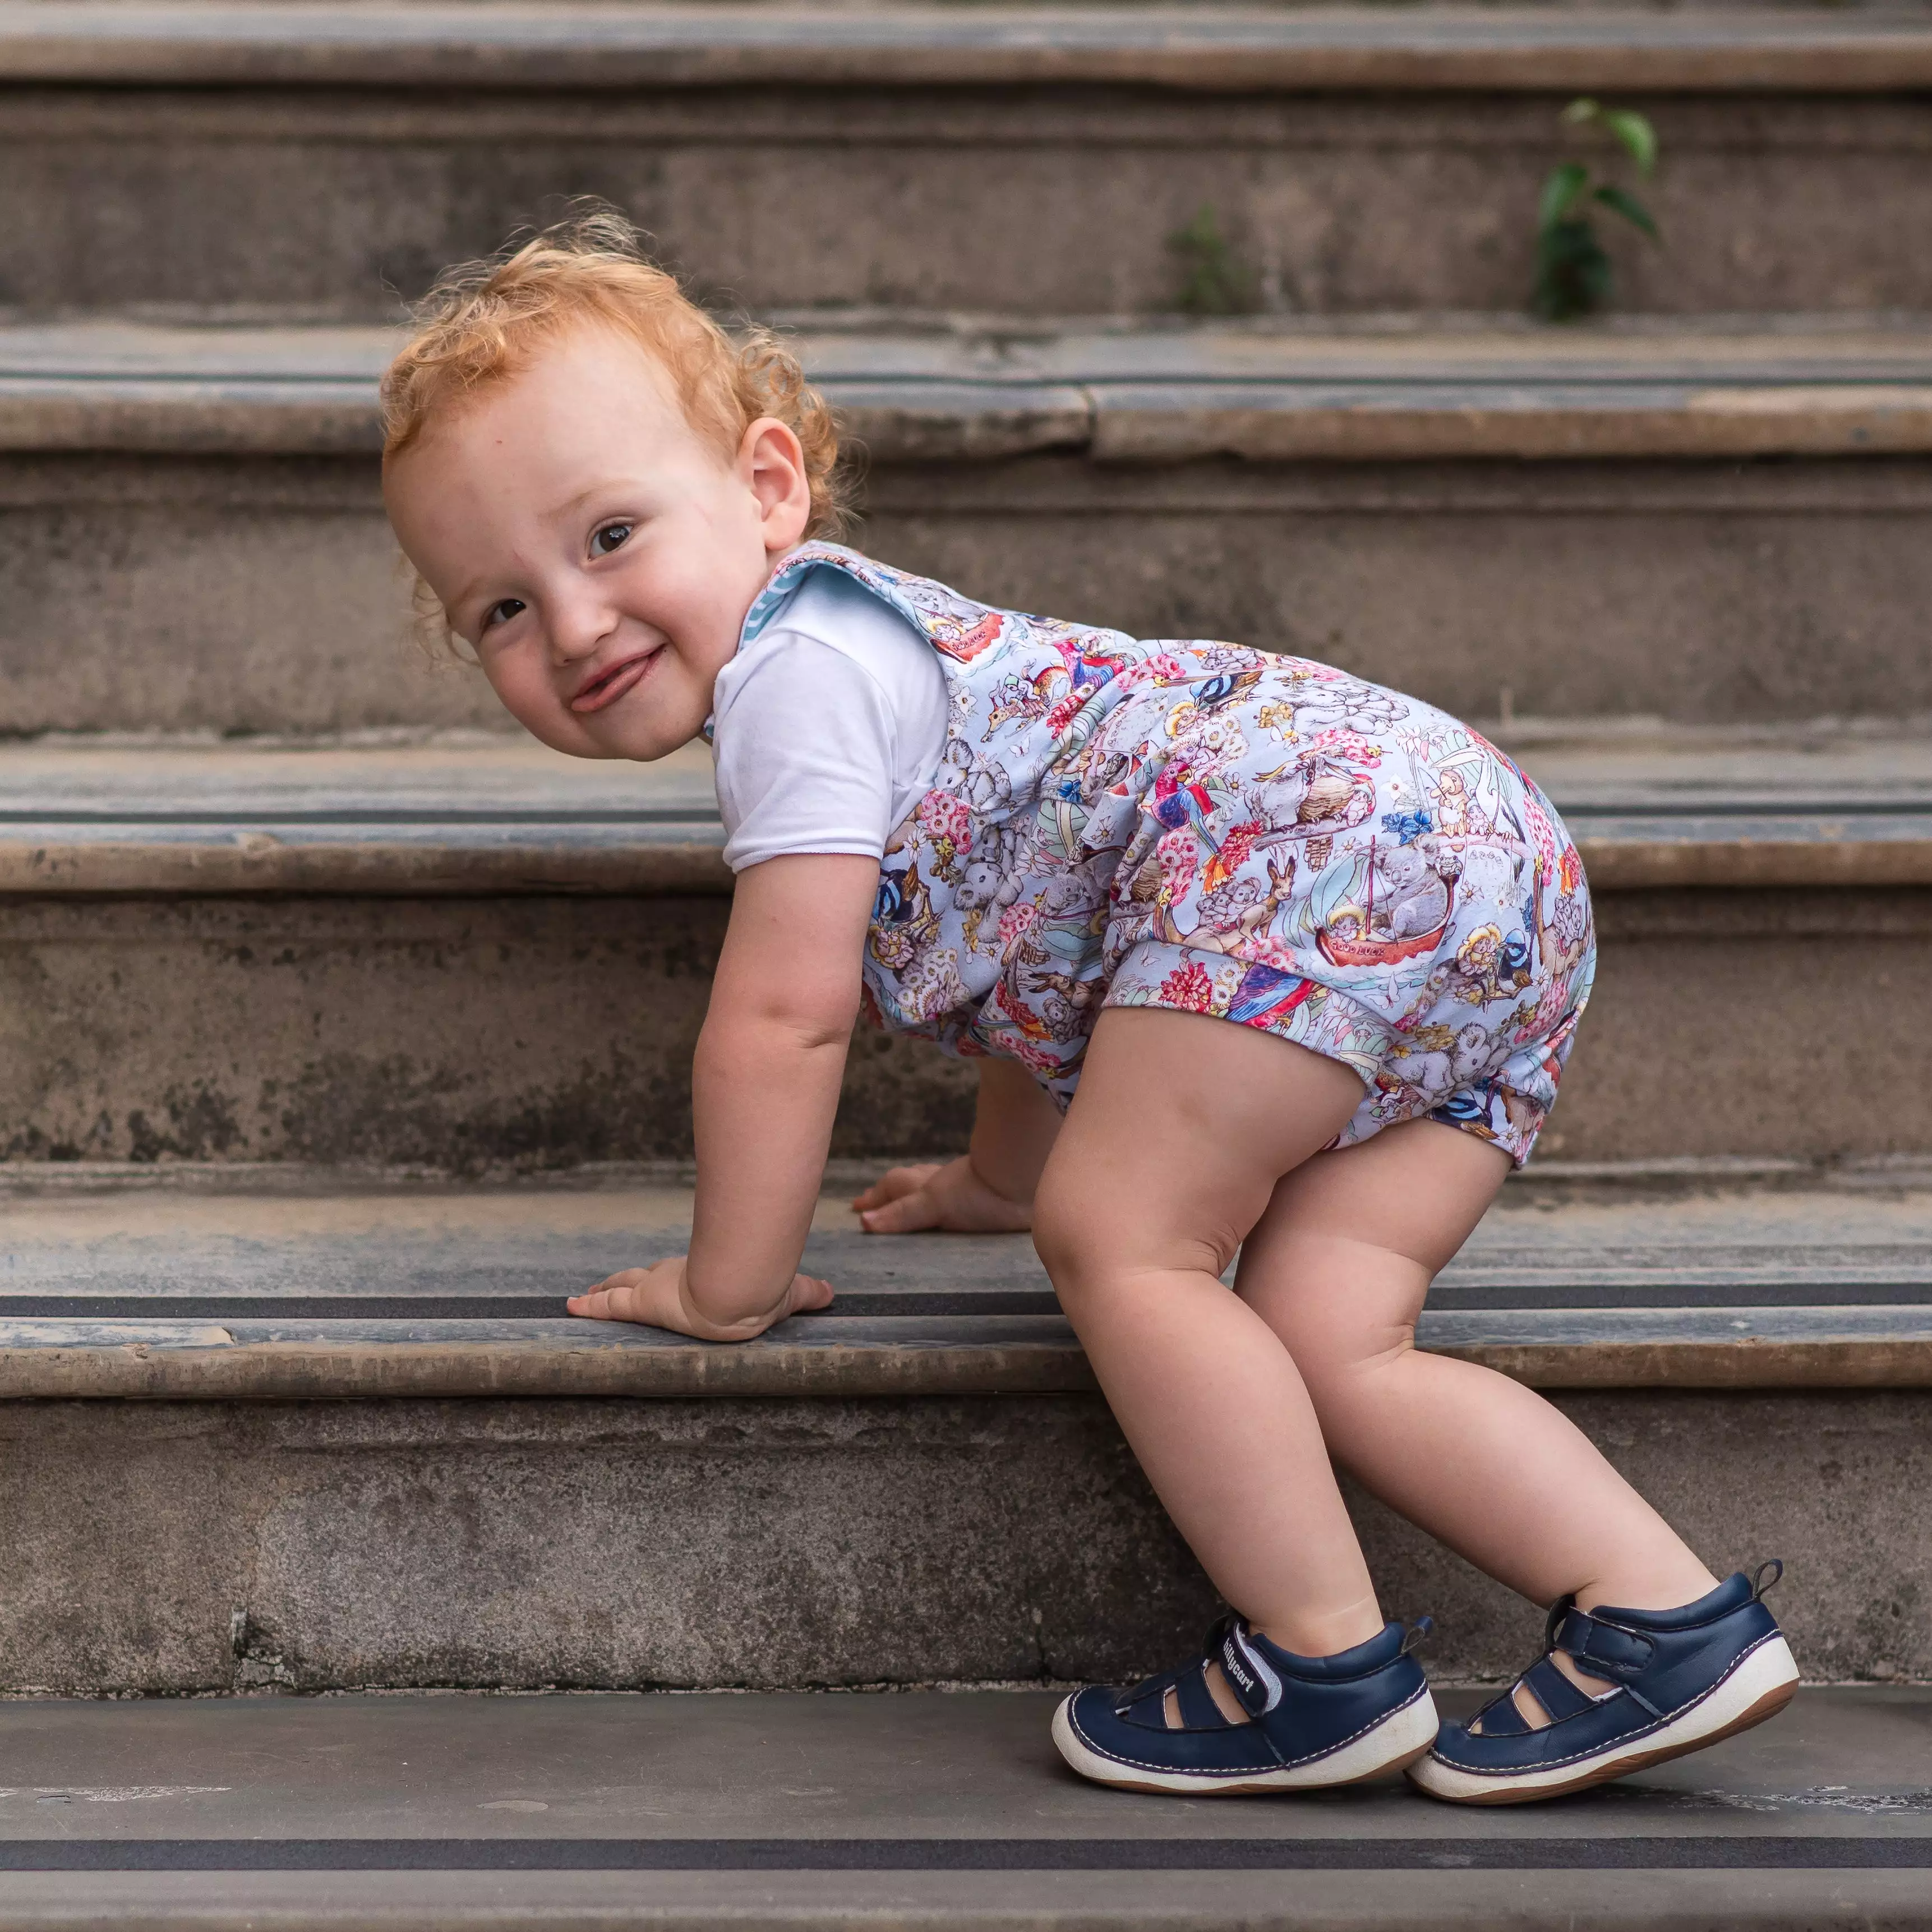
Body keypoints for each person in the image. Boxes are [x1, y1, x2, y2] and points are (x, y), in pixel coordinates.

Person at [379, 212, 1798, 1804]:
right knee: (1332, 1331)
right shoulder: (886, 653)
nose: (571, 623)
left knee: (1128, 1243)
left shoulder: (792, 679)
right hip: (1480, 867)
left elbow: (783, 1017)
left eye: (609, 536)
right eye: (497, 607)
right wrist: (1004, 1173)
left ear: (767, 489)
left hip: (1310, 851)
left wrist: (734, 1280)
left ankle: (1319, 1661)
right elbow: (1051, 949)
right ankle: (1659, 1616)